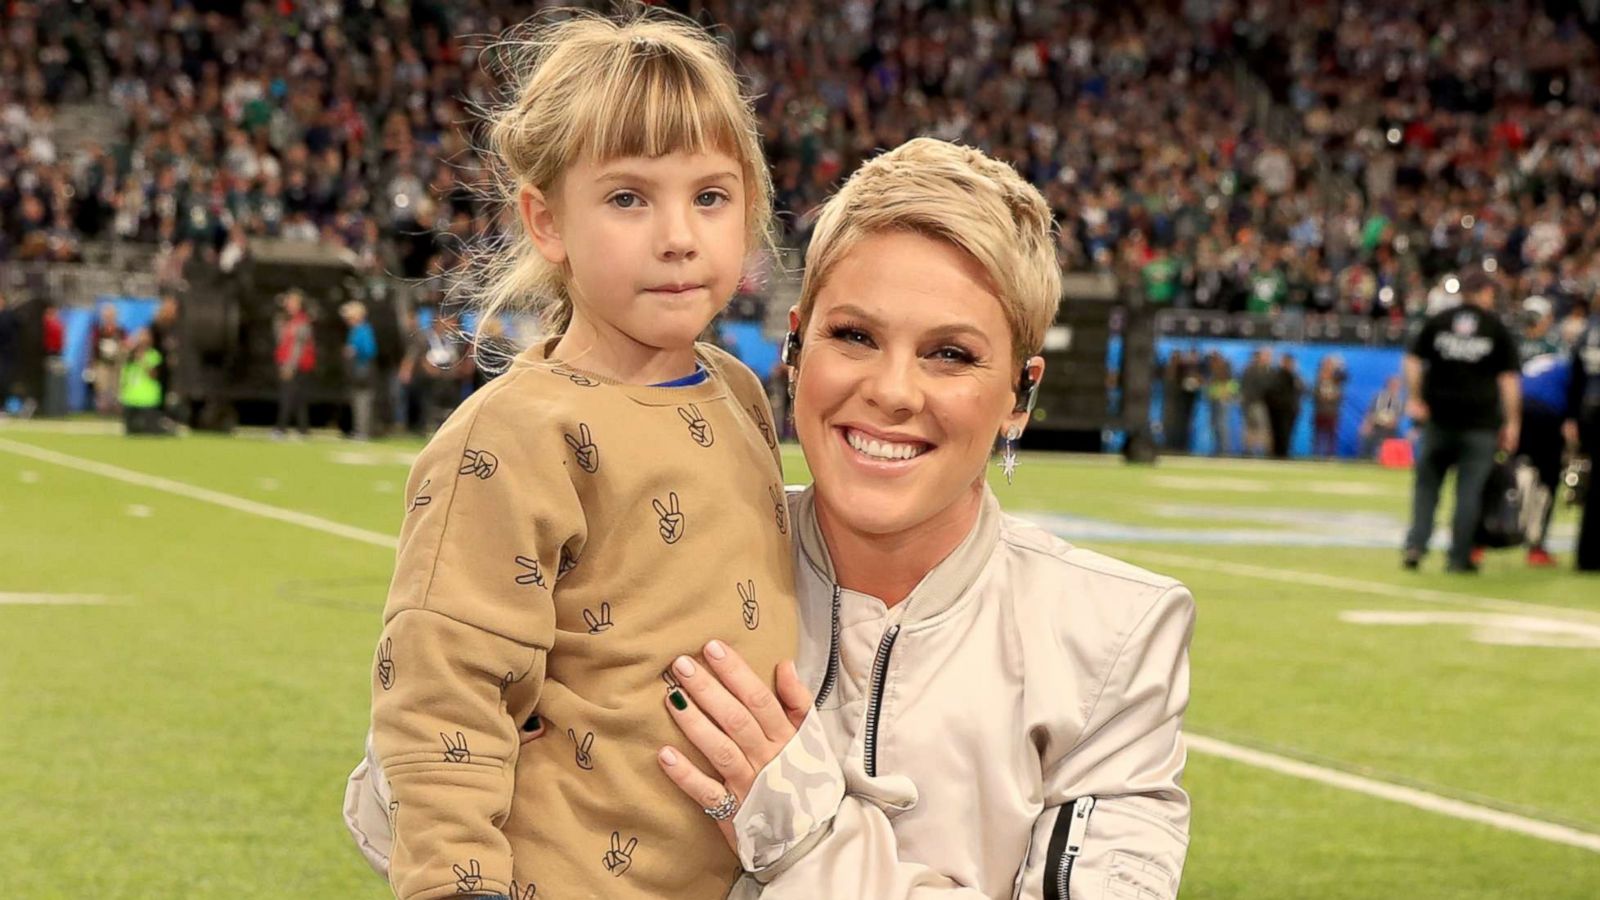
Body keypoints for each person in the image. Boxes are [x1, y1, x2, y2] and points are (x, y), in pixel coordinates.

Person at [654, 139, 1194, 899]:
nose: (894, 390)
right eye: (855, 337)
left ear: (1019, 393)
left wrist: (802, 833)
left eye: (949, 354)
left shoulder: (1112, 638)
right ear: (796, 345)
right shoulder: (665, 562)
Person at [344, 11, 800, 900]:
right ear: (547, 222)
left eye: (710, 196)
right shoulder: (513, 434)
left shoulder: (740, 391)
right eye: (629, 197)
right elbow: (444, 698)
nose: (678, 235)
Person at [1402, 271, 1521, 573]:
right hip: (1479, 424)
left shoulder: (1440, 321)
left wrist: (1416, 398)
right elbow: (1508, 380)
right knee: (1469, 492)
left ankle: (1416, 544)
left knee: (1427, 486)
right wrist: (1512, 422)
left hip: (1439, 419)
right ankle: (1458, 557)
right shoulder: (1495, 328)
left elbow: (1413, 360)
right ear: (1484, 293)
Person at [1516, 296, 1571, 566]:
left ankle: (1480, 542)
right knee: (1545, 481)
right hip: (1543, 420)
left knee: (1509, 478)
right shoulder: (1558, 348)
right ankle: (1535, 545)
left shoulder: (1511, 343)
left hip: (1522, 419)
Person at [1565, 305, 1600, 571]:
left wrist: (1573, 416)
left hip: (1589, 413)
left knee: (1592, 488)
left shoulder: (1590, 329)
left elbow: (1575, 376)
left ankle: (1586, 556)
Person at [272, 289, 315, 438]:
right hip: (289, 362)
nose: (288, 305)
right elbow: (279, 339)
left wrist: (289, 366)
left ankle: (281, 428)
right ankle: (303, 429)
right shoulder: (284, 320)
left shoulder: (301, 322)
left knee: (288, 397)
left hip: (296, 365)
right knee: (298, 398)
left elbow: (298, 346)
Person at [341, 301, 377, 441]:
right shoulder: (355, 330)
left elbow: (370, 350)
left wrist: (354, 351)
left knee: (363, 401)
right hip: (356, 371)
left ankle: (363, 432)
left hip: (363, 370)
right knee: (357, 401)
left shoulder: (364, 330)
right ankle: (359, 430)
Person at [119, 328, 166, 435]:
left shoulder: (154, 355)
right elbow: (124, 375)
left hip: (148, 400)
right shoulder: (130, 357)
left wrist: (143, 361)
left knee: (151, 431)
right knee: (131, 432)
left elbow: (154, 375)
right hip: (130, 399)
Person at [87, 303, 126, 415]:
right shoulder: (98, 331)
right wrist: (92, 364)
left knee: (116, 388)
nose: (109, 317)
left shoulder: (120, 330)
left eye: (111, 315)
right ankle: (103, 410)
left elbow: (125, 346)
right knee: (102, 388)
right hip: (102, 364)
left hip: (116, 364)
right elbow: (93, 347)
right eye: (106, 315)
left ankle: (116, 410)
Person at [1265, 352, 1305, 459]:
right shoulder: (1276, 375)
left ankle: (1283, 454)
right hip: (1278, 410)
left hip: (1290, 410)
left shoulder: (1295, 376)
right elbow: (1270, 392)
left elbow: (1303, 389)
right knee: (1278, 433)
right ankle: (1278, 454)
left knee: (1287, 433)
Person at [1360, 375, 1404, 458]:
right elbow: (1370, 412)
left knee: (1394, 434)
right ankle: (1365, 458)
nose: (1395, 387)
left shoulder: (1400, 401)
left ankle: (1388, 457)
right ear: (1388, 385)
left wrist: (1393, 422)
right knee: (1366, 433)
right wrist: (1367, 424)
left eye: (1397, 385)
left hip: (1390, 427)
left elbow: (1398, 417)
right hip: (1376, 425)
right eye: (1393, 384)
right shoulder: (1378, 397)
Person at [1240, 346, 1273, 456]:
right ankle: (1251, 451)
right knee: (1256, 428)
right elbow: (1249, 388)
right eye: (1266, 356)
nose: (1268, 358)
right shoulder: (1252, 370)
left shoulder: (1266, 370)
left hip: (1259, 403)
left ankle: (1261, 451)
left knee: (1260, 428)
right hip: (1255, 403)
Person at [1311, 355, 1346, 459]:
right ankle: (1316, 454)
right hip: (1320, 411)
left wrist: (1339, 365)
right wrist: (1324, 397)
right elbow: (1315, 395)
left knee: (1331, 435)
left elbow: (1344, 377)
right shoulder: (1319, 382)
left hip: (1332, 412)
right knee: (1318, 434)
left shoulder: (1337, 381)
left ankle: (1330, 455)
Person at [1205, 351, 1238, 455]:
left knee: (1222, 425)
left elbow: (1233, 384)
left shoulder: (1225, 368)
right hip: (1214, 400)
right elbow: (1211, 386)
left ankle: (1224, 450)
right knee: (1215, 425)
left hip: (1223, 400)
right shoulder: (1212, 370)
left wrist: (1228, 394)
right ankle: (1219, 448)